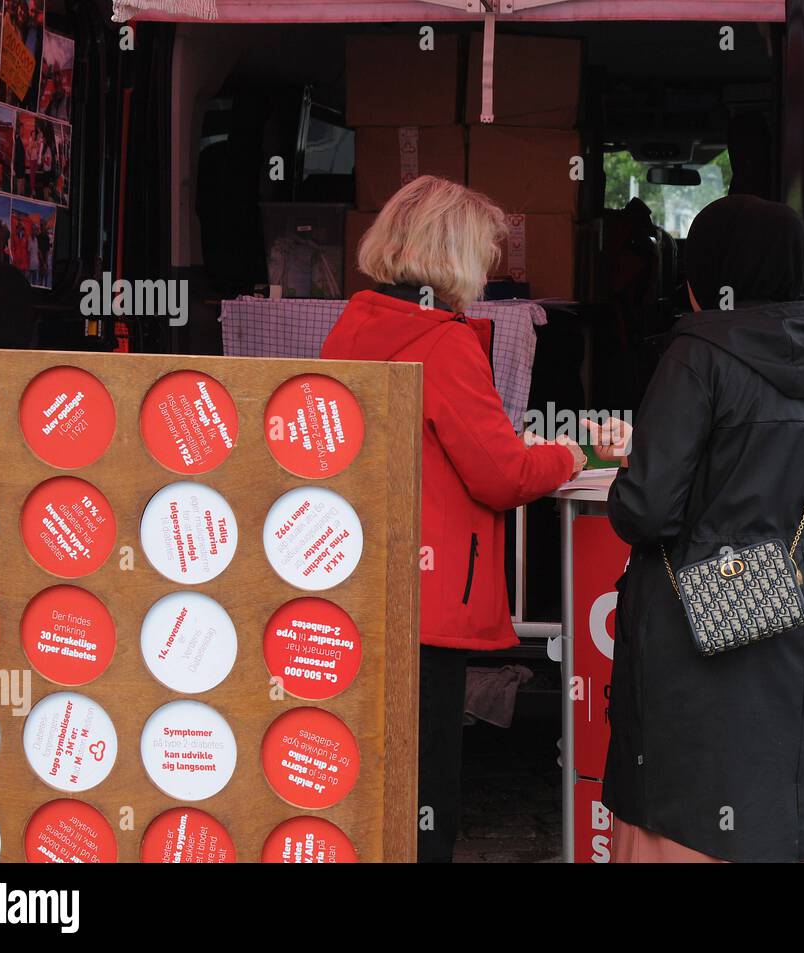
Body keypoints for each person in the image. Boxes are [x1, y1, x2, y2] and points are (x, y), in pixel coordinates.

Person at [584, 195, 804, 863]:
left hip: (699, 610)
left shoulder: (697, 350)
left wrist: (635, 462)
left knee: (691, 799)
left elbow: (647, 509)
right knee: (792, 786)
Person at [320, 175, 585, 863]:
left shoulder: (355, 323)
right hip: (427, 604)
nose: (488, 271)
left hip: (355, 584)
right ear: (453, 254)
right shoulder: (442, 340)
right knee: (424, 803)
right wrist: (572, 450)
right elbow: (503, 475)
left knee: (363, 782)